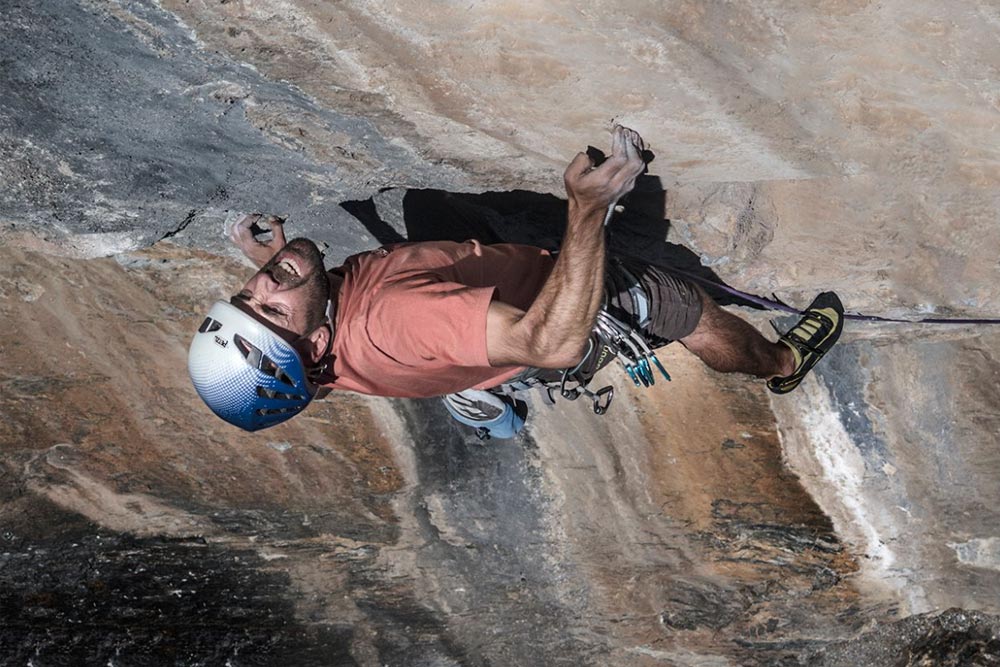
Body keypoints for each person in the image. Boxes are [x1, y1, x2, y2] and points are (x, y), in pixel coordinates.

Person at [188, 126, 843, 435]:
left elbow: (298, 350)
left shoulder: (315, 370)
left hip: (463, 338)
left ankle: (482, 390)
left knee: (432, 234)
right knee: (687, 309)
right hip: (554, 321)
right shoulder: (396, 315)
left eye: (250, 296)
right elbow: (553, 343)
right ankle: (781, 361)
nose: (266, 283)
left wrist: (279, 277)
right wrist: (587, 212)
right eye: (271, 309)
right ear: (319, 335)